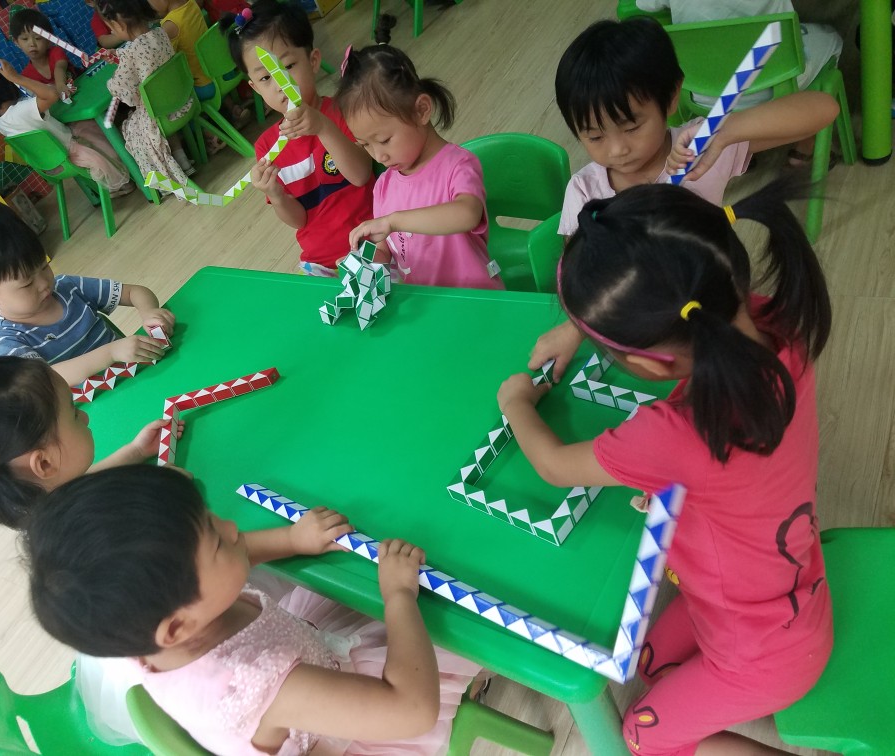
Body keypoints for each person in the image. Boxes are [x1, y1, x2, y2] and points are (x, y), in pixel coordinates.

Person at [497, 178, 832, 755]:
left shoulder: (672, 436)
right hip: (780, 599)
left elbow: (553, 465)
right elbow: (674, 285)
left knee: (640, 735)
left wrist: (516, 403)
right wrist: (581, 326)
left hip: (763, 654)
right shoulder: (774, 326)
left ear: (650, 364)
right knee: (650, 664)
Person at [25, 465, 482, 755]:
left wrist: (291, 539)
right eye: (216, 539)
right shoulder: (257, 683)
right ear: (178, 625)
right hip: (350, 727)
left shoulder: (146, 621)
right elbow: (411, 709)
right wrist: (398, 596)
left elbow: (235, 556)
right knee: (455, 630)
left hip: (308, 654)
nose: (231, 528)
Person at [554, 17, 839, 235]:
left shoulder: (701, 148)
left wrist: (726, 131)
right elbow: (575, 274)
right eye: (595, 137)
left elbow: (824, 108)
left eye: (631, 128)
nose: (617, 149)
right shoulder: (584, 192)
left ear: (671, 97)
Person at [0, 200, 171, 387]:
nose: (44, 283)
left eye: (44, 267)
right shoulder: (6, 341)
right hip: (93, 413)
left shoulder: (67, 287)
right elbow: (49, 379)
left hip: (138, 377)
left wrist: (149, 313)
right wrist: (111, 352)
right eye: (27, 283)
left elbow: (135, 292)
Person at [0, 354, 182, 530]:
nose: (85, 417)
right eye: (73, 414)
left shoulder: (45, 493)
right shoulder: (81, 527)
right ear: (44, 463)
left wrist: (136, 451)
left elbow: (84, 482)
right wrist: (171, 494)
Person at [225, 0, 374, 276]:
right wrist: (276, 195)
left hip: (373, 244)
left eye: (288, 66)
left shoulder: (344, 111)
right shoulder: (267, 147)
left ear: (313, 61)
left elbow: (361, 175)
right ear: (255, 88)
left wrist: (323, 127)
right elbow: (299, 220)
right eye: (266, 78)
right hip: (319, 262)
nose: (281, 85)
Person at [337, 45, 503, 290]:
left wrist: (393, 221)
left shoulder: (458, 165)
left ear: (421, 110)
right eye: (365, 145)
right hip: (427, 301)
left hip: (474, 297)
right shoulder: (384, 186)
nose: (379, 155)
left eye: (384, 140)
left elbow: (468, 214)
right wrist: (365, 262)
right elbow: (386, 250)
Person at [634, 0, 842, 164]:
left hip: (701, 93)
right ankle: (805, 147)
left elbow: (644, 5)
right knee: (832, 37)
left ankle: (739, 153)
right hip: (775, 87)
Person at [0, 42, 131, 196]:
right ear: (6, 83)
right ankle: (125, 174)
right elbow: (52, 94)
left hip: (51, 164)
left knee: (81, 126)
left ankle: (106, 183)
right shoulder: (22, 110)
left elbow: (42, 95)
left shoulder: (1, 121)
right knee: (92, 126)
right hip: (72, 153)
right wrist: (16, 78)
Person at [98, 0, 198, 182]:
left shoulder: (131, 53)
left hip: (160, 116)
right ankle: (182, 159)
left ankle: (163, 179)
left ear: (119, 25)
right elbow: (146, 60)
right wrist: (120, 56)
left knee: (130, 128)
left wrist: (114, 77)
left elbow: (121, 90)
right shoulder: (161, 33)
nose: (113, 32)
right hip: (183, 101)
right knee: (155, 107)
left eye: (111, 28)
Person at [9, 8, 75, 100]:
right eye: (25, 39)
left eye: (38, 38)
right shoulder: (27, 76)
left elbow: (60, 67)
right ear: (16, 42)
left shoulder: (56, 52)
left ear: (49, 39)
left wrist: (60, 84)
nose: (32, 44)